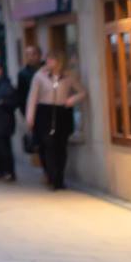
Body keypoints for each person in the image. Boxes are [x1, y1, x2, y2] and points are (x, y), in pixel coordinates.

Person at [25, 51, 85, 191]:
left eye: (52, 60)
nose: (49, 63)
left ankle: (60, 179)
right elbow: (32, 97)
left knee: (61, 146)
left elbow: (82, 92)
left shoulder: (68, 76)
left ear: (59, 62)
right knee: (48, 144)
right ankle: (51, 176)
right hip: (44, 111)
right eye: (48, 60)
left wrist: (71, 100)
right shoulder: (39, 76)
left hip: (61, 112)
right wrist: (30, 116)